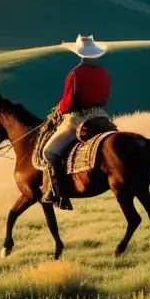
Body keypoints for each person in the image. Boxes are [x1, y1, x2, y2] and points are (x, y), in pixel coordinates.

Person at [41, 34, 111, 209]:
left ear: (79, 54)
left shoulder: (75, 73)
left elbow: (69, 103)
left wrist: (60, 108)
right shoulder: (104, 73)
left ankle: (57, 193)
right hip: (101, 116)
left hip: (78, 119)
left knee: (50, 152)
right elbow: (105, 97)